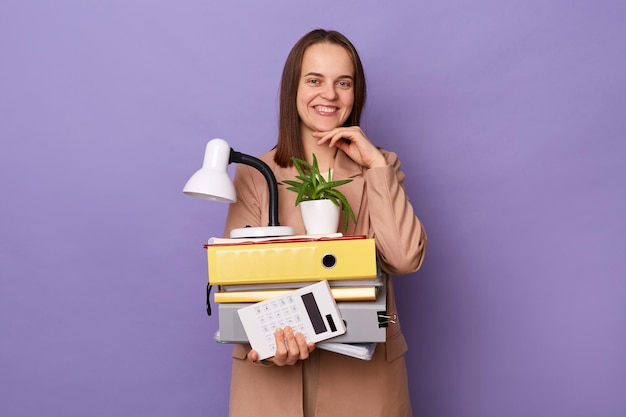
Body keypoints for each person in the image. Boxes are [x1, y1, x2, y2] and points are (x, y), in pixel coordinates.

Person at [222, 29, 427, 417]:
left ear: (356, 93)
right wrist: (269, 345)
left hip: (365, 384)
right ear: (293, 89)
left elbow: (403, 258)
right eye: (314, 80)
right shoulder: (255, 174)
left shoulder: (381, 167)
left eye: (343, 83)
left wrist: (377, 169)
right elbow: (239, 287)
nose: (329, 95)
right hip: (271, 387)